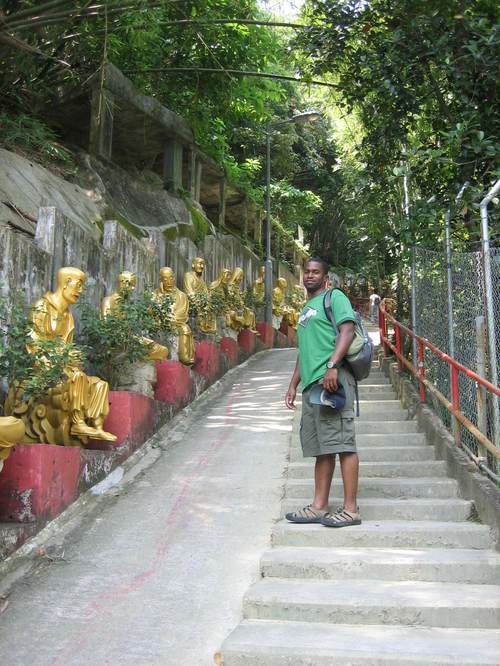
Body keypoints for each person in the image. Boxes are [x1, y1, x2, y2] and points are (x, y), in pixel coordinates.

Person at [285, 257, 361, 527]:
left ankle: (350, 510)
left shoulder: (334, 297)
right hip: (312, 385)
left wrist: (332, 366)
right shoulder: (306, 308)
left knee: (343, 442)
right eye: (306, 271)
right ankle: (319, 506)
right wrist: (294, 383)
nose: (310, 276)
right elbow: (303, 350)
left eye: (316, 272)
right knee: (323, 448)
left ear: (325, 277)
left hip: (332, 381)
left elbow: (347, 330)